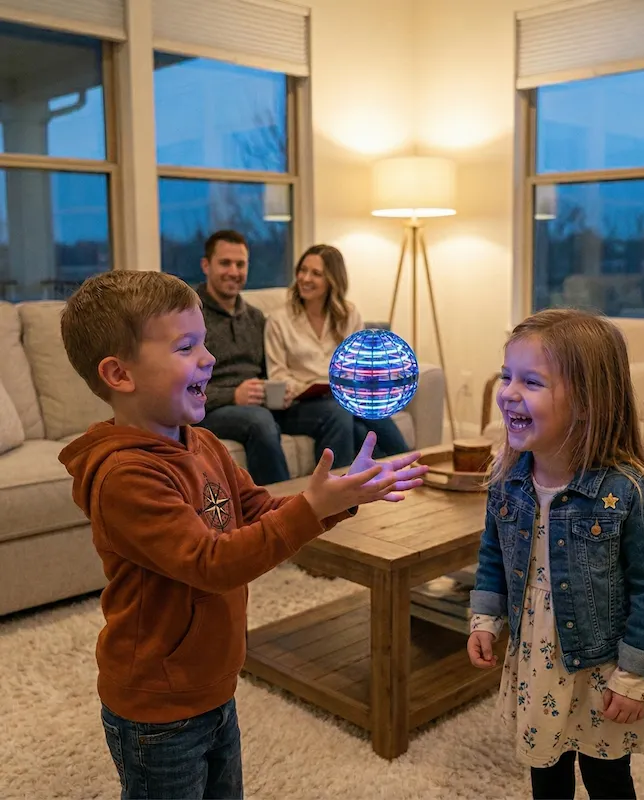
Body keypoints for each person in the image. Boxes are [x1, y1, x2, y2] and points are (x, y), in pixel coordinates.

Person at [57, 270, 428, 800]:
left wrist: (336, 498)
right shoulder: (124, 477)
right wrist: (311, 509)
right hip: (157, 705)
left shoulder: (203, 443)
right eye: (186, 347)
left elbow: (258, 511)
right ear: (119, 373)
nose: (208, 359)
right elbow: (212, 563)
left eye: (204, 342)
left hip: (213, 682)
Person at [467, 308, 644, 800]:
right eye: (506, 375)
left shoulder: (626, 490)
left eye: (532, 381)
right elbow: (493, 554)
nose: (508, 393)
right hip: (536, 659)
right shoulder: (507, 479)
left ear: (586, 402)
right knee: (545, 769)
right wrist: (484, 618)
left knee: (607, 778)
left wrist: (633, 675)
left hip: (602, 666)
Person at [266, 244, 409, 469]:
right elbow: (277, 374)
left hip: (343, 398)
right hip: (299, 405)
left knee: (366, 415)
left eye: (316, 273)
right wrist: (306, 387)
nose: (305, 278)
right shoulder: (279, 320)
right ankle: (406, 470)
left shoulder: (348, 315)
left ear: (332, 280)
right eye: (303, 270)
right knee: (342, 410)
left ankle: (402, 471)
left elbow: (361, 365)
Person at [194, 229, 291, 485]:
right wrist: (233, 395)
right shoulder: (191, 315)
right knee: (259, 421)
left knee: (334, 413)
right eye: (225, 263)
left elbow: (269, 372)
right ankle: (280, 504)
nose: (234, 271)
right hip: (209, 410)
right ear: (206, 265)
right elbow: (181, 386)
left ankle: (344, 495)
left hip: (258, 405)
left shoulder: (255, 317)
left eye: (240, 264)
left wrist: (283, 389)